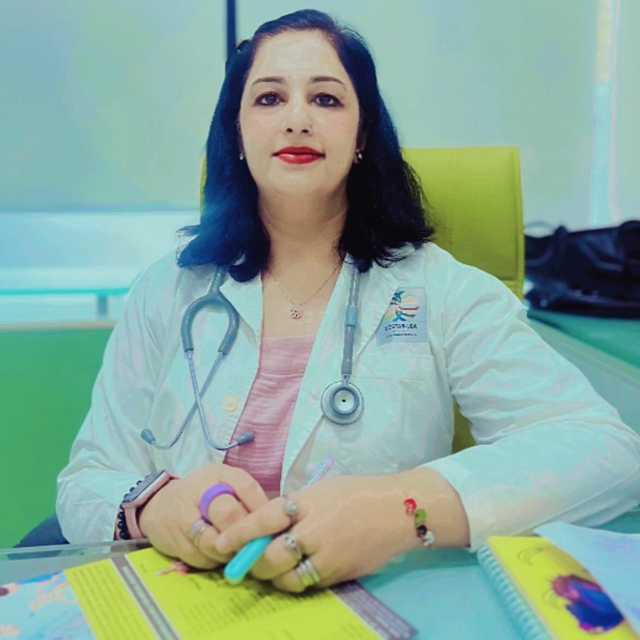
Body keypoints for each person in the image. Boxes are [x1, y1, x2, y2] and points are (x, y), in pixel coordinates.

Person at [56, 9, 640, 594]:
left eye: (327, 99)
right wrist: (156, 506)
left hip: (378, 603)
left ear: (361, 137)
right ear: (236, 134)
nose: (297, 119)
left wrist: (399, 510)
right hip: (189, 602)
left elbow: (606, 451)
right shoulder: (169, 290)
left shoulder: (443, 290)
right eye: (269, 99)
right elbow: (88, 478)